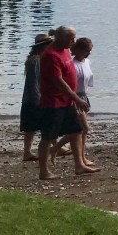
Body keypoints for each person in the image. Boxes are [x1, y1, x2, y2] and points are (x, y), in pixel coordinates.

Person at [37, 26, 97, 179]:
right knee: (48, 136)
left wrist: (74, 99)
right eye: (71, 39)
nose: (73, 42)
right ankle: (43, 171)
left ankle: (79, 165)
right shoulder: (51, 55)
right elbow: (58, 81)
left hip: (68, 101)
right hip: (54, 101)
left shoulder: (64, 51)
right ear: (61, 38)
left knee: (76, 130)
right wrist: (77, 99)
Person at [54, 37, 97, 168]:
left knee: (81, 130)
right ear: (77, 50)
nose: (87, 53)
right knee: (83, 128)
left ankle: (80, 157)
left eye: (89, 51)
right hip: (75, 97)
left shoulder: (87, 62)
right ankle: (58, 149)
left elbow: (87, 81)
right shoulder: (72, 64)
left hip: (84, 96)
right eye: (85, 51)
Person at [19, 33, 52, 161]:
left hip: (31, 98)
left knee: (31, 128)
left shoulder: (36, 59)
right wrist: (39, 99)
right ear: (44, 46)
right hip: (34, 98)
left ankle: (27, 152)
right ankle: (28, 152)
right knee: (45, 123)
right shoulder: (36, 60)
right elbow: (34, 82)